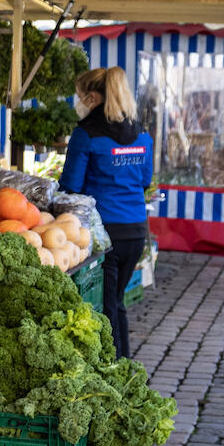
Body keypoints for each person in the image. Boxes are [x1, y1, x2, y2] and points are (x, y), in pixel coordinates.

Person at [59, 66, 151, 357]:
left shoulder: (86, 134)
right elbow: (146, 180)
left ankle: (119, 369)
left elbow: (71, 186)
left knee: (109, 305)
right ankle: (121, 364)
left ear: (94, 97)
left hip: (103, 234)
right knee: (116, 302)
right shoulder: (142, 134)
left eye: (81, 96)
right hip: (136, 230)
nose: (80, 102)